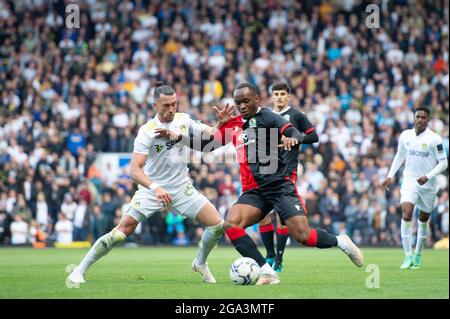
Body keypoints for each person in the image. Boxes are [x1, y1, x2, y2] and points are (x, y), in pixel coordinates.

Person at [158, 82, 364, 285]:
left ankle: (341, 241)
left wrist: (294, 138)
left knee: (303, 236)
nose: (242, 106)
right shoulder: (235, 124)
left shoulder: (268, 117)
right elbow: (206, 147)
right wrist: (179, 138)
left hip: (279, 186)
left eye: (246, 101)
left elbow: (290, 130)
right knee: (231, 225)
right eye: (238, 102)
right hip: (253, 192)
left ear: (257, 99)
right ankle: (267, 270)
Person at [69, 82, 233, 284]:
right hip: (152, 190)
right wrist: (155, 187)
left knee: (217, 225)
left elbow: (210, 135)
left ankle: (200, 263)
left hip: (181, 188)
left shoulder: (183, 120)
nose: (172, 109)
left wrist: (221, 124)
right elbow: (134, 170)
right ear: (155, 105)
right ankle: (79, 270)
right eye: (166, 105)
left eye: (174, 104)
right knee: (121, 234)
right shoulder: (147, 131)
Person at [258, 81, 319, 272]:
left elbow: (313, 136)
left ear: (288, 96)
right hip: (266, 169)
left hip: (287, 170)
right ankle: (269, 254)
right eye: (275, 94)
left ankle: (279, 258)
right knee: (261, 214)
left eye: (282, 94)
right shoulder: (264, 115)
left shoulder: (297, 115)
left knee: (280, 216)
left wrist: (296, 138)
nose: (279, 97)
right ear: (271, 96)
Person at [382, 106, 448, 269]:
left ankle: (418, 254)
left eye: (423, 117)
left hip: (428, 185)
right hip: (410, 180)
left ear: (428, 120)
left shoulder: (435, 139)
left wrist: (428, 176)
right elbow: (399, 156)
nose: (419, 120)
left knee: (423, 221)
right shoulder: (405, 136)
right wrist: (390, 175)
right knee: (406, 213)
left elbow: (444, 163)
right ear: (414, 118)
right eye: (417, 117)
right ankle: (408, 256)